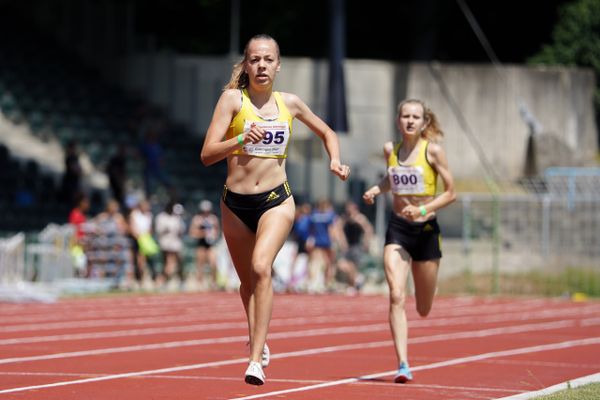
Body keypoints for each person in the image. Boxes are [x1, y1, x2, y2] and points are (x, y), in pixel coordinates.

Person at [200, 33, 350, 385]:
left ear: (278, 65)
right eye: (255, 59)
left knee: (261, 267)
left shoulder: (290, 104)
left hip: (276, 201)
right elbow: (207, 154)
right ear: (247, 64)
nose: (262, 65)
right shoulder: (232, 101)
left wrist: (336, 161)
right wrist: (239, 140)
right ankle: (258, 336)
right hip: (234, 204)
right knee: (246, 285)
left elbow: (327, 132)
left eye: (268, 59)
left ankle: (255, 358)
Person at [362, 98, 456, 383]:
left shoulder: (433, 152)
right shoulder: (390, 150)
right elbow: (393, 179)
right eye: (406, 116)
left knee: (423, 308)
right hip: (399, 229)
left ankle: (427, 287)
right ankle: (403, 364)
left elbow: (451, 192)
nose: (411, 121)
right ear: (398, 120)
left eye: (416, 117)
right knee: (396, 294)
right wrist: (377, 189)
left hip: (425, 231)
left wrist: (424, 209)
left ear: (424, 123)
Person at [336, 200, 374, 292]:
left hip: (356, 246)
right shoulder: (344, 218)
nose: (348, 210)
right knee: (342, 265)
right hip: (347, 246)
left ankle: (352, 285)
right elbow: (338, 229)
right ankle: (358, 278)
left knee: (352, 266)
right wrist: (341, 241)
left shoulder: (360, 218)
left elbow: (368, 229)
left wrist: (366, 241)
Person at [188, 200, 221, 290]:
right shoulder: (197, 219)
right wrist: (203, 233)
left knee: (213, 263)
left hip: (210, 244)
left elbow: (217, 231)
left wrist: (213, 234)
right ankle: (200, 283)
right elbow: (192, 232)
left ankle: (214, 282)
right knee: (200, 265)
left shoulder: (213, 219)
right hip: (201, 244)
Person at [155, 201, 186, 288]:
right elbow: (159, 230)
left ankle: (177, 280)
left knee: (177, 263)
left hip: (176, 244)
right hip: (166, 243)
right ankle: (164, 281)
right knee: (168, 263)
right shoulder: (161, 217)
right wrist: (167, 229)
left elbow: (181, 231)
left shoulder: (176, 218)